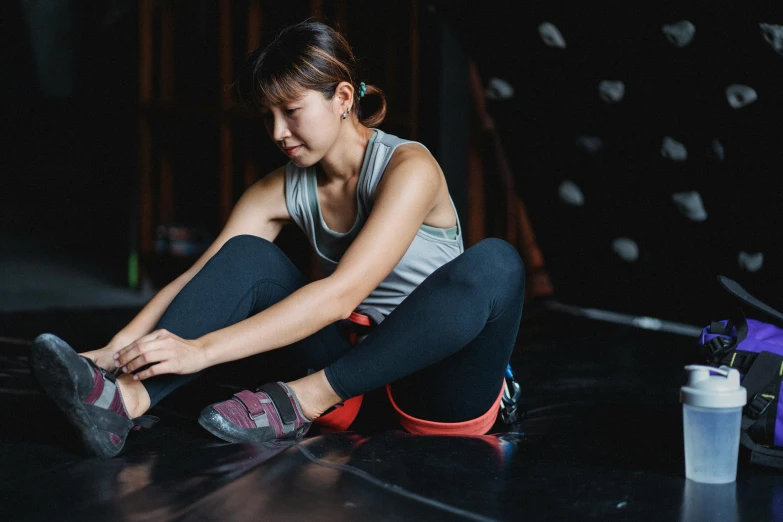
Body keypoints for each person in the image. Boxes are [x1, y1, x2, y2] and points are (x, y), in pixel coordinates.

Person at [28, 20, 525, 459]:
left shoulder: (409, 168)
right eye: (267, 116)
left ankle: (301, 399)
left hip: (432, 386)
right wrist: (117, 353)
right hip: (349, 382)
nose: (278, 132)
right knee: (245, 255)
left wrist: (201, 350)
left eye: (290, 110)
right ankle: (125, 405)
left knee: (497, 263)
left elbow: (340, 295)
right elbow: (202, 277)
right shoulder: (280, 187)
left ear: (344, 99)